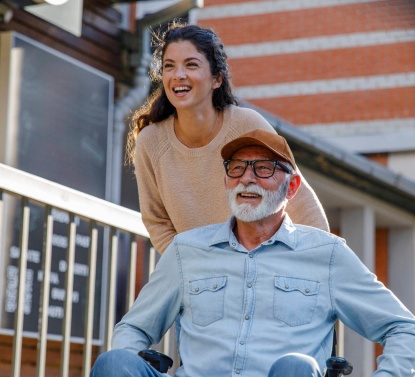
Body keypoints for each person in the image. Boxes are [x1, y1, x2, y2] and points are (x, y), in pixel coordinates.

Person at [91, 129, 415, 377]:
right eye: (236, 168)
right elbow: (134, 328)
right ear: (226, 181)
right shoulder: (187, 251)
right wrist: (133, 370)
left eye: (263, 168)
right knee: (114, 366)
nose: (247, 178)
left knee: (296, 369)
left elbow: (407, 331)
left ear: (292, 186)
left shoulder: (327, 255)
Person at [126, 21, 329, 254]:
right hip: (199, 277)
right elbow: (157, 222)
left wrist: (321, 259)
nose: (178, 75)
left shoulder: (247, 125)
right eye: (169, 66)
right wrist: (190, 267)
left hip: (262, 265)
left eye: (191, 65)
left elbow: (299, 200)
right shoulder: (151, 141)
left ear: (217, 79)